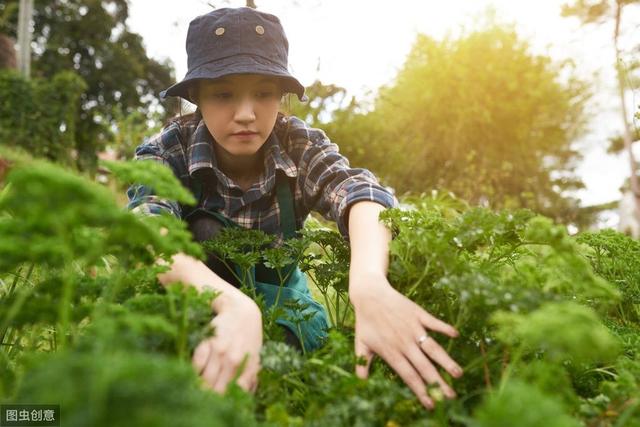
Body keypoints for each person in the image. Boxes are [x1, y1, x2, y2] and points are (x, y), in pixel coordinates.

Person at [126, 6, 463, 410]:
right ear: (196, 98)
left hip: (287, 312)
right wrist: (233, 304)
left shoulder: (299, 145)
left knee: (291, 386)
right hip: (189, 303)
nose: (246, 114)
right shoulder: (168, 149)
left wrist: (370, 282)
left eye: (264, 93)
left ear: (281, 97)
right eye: (224, 94)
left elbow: (359, 192)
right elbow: (147, 228)